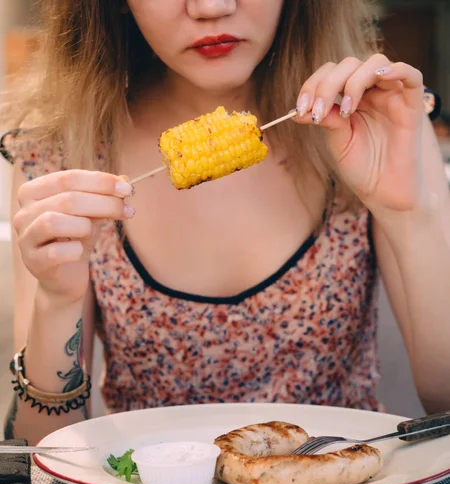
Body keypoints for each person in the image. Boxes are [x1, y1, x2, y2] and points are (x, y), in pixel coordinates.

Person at [1, 0, 449, 445]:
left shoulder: (373, 125)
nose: (211, 7)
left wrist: (410, 216)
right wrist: (56, 301)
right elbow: (40, 455)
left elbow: (444, 407)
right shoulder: (62, 153)